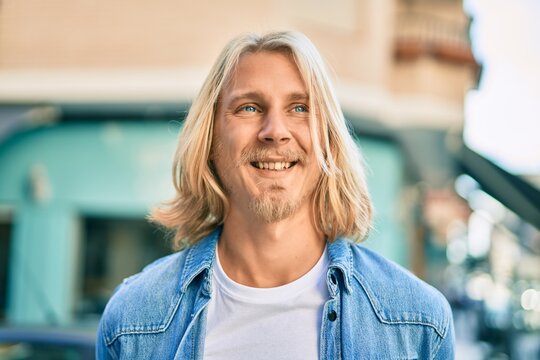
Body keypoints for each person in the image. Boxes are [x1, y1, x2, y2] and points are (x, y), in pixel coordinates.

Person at [96, 31, 454, 359]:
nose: (275, 132)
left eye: (299, 108)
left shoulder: (418, 324)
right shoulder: (132, 321)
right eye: (249, 108)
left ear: (328, 141)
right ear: (211, 139)